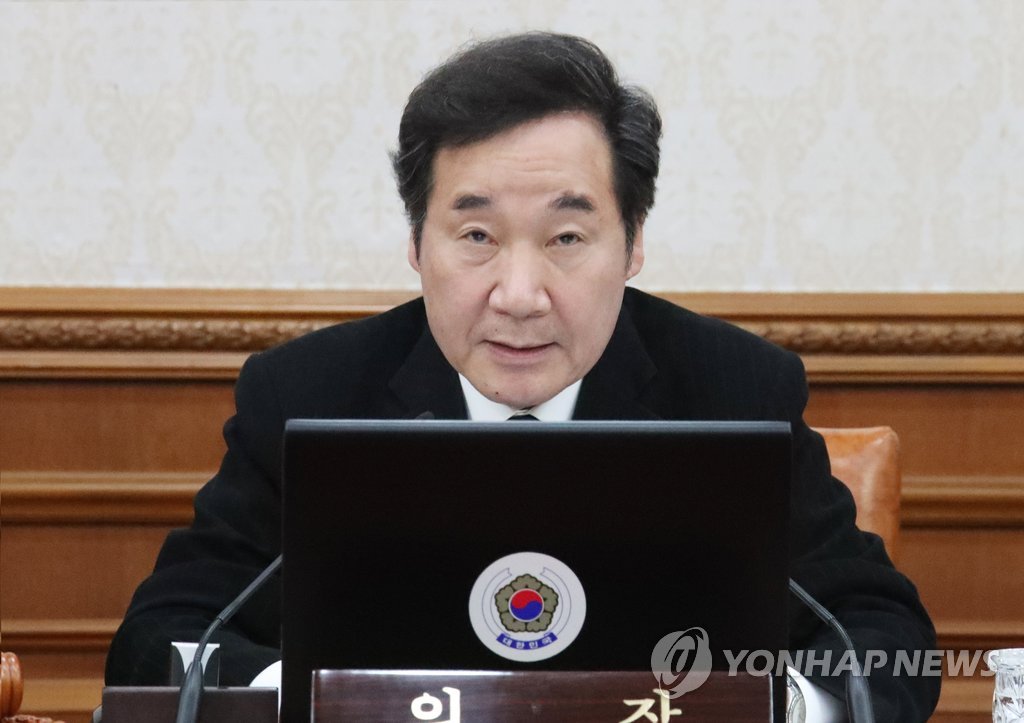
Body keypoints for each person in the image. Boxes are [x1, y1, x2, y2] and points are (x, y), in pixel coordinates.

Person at [105, 32, 940, 721]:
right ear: (416, 244)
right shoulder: (306, 397)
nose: (519, 294)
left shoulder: (734, 390)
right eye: (476, 236)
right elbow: (162, 636)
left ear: (633, 244)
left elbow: (881, 634)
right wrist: (311, 701)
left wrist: (771, 704)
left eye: (566, 238)